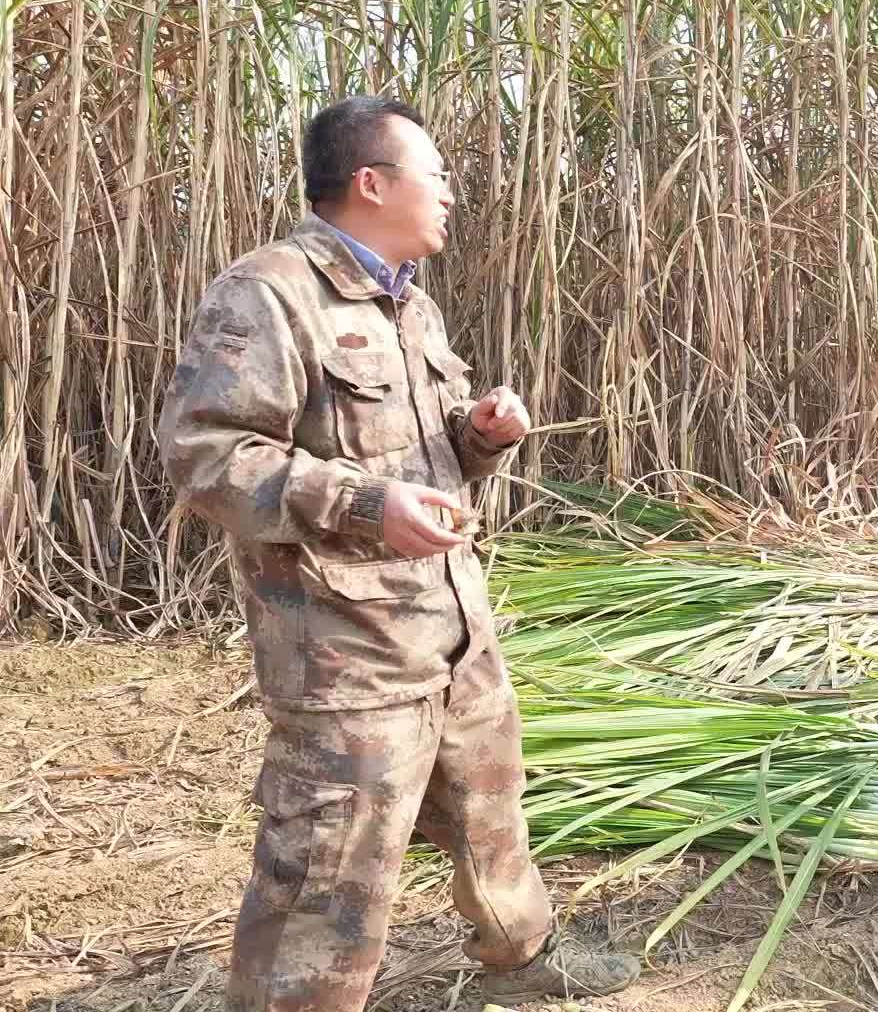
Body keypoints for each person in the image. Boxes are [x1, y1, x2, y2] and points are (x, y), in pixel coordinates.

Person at [158, 96, 643, 1008]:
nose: (452, 194)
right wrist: (366, 504)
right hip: (349, 652)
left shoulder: (405, 307)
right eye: (438, 175)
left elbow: (411, 455)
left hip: (449, 628)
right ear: (371, 183)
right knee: (329, 871)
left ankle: (523, 959)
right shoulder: (268, 294)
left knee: (491, 815)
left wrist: (480, 437)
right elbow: (205, 456)